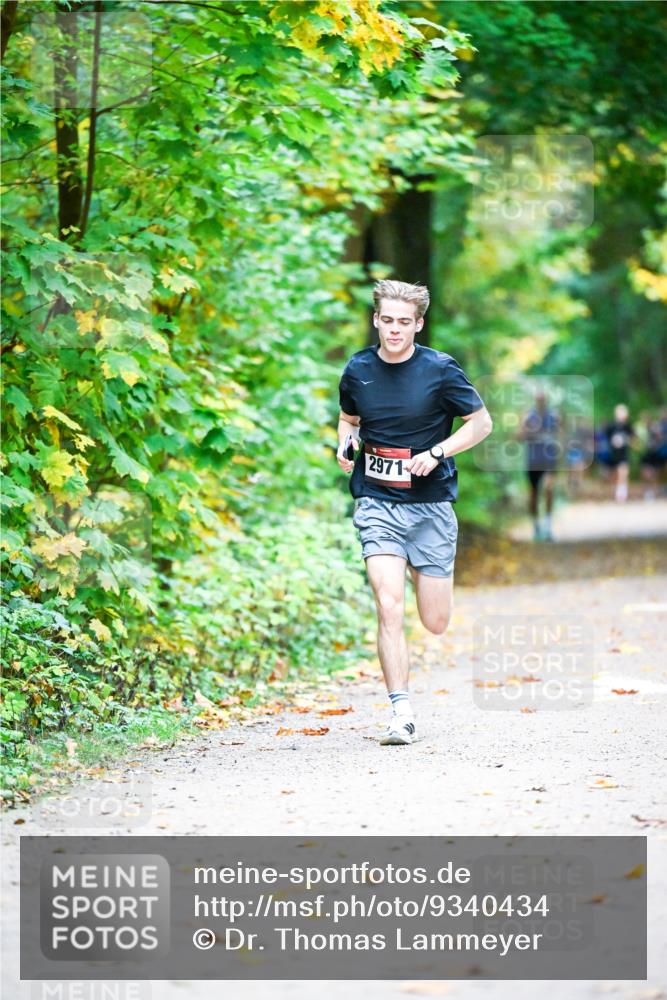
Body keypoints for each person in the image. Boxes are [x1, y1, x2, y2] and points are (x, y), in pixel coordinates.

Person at [336, 279, 492, 746]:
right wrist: (345, 443)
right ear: (376, 320)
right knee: (387, 606)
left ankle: (419, 568)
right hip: (377, 502)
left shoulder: (440, 370)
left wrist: (439, 451)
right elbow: (350, 419)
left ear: (419, 324)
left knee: (435, 621)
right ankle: (400, 712)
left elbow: (481, 423)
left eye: (405, 322)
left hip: (430, 507)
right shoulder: (358, 369)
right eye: (387, 320)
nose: (395, 330)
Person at [517, 388, 560, 541]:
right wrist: (524, 426)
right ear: (535, 400)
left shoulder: (553, 416)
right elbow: (518, 437)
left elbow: (562, 436)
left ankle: (548, 527)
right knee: (534, 494)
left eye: (543, 399)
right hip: (533, 460)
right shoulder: (529, 416)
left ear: (546, 400)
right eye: (538, 399)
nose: (541, 401)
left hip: (549, 460)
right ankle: (536, 527)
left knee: (549, 489)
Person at [603, 403, 635, 502]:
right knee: (613, 475)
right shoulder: (611, 426)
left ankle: (622, 494)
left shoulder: (628, 426)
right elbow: (605, 438)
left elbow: (633, 439)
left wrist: (625, 440)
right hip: (612, 454)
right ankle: (615, 492)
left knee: (623, 472)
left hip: (624, 453)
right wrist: (613, 442)